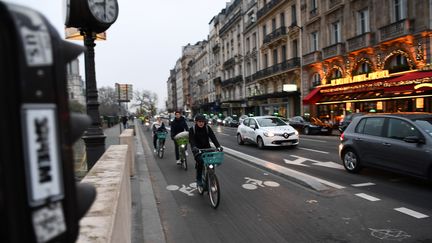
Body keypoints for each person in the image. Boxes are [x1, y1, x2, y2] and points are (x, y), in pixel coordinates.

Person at [189, 114, 222, 186]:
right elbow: (191, 141)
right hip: (197, 150)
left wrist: (218, 146)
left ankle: (211, 177)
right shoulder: (192, 129)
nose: (201, 123)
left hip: (207, 148)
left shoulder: (207, 128)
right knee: (200, 162)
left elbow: (213, 138)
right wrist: (194, 147)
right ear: (196, 122)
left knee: (211, 162)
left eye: (202, 122)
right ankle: (199, 179)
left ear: (205, 122)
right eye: (199, 121)